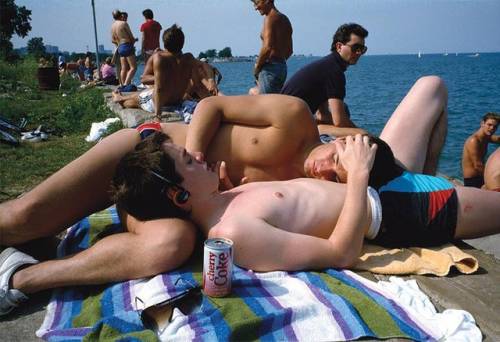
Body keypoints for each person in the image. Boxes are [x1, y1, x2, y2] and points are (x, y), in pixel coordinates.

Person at [0, 76, 447, 315]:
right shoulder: (292, 118)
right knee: (26, 217)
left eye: (341, 172)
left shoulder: (324, 183)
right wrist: (191, 164)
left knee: (172, 244)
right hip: (152, 154)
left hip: (180, 202)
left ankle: (22, 277)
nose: (329, 168)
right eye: (337, 153)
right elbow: (210, 107)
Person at [112, 25, 219, 120]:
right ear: (183, 43)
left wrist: (211, 82)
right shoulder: (183, 58)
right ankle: (120, 99)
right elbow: (156, 86)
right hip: (160, 102)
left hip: (171, 101)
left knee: (141, 97)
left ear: (165, 43)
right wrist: (158, 114)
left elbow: (204, 65)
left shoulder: (170, 58)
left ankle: (121, 97)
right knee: (134, 101)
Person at [281, 23, 368, 130]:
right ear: (339, 46)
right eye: (355, 48)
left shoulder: (327, 65)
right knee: (363, 135)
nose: (359, 53)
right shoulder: (334, 72)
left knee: (342, 109)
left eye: (362, 49)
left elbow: (323, 115)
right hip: (288, 126)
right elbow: (339, 121)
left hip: (282, 119)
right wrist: (365, 134)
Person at [248, 0, 293, 95]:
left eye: (257, 3)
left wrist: (257, 66)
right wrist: (278, 62)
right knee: (256, 94)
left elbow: (267, 47)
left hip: (270, 68)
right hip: (282, 67)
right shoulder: (285, 19)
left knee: (266, 105)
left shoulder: (270, 18)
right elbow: (290, 51)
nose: (255, 8)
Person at [461, 113, 499, 188]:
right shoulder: (474, 141)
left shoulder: (486, 137)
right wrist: (490, 180)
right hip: (473, 181)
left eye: (495, 127)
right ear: (482, 123)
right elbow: (478, 165)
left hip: (481, 177)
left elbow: (497, 139)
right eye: (489, 125)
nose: (492, 128)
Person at [111, 9, 137, 86]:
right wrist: (133, 41)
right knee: (133, 67)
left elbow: (113, 40)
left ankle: (122, 85)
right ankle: (126, 84)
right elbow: (131, 37)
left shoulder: (112, 26)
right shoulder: (123, 23)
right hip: (126, 45)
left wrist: (119, 43)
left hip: (120, 47)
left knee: (124, 68)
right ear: (120, 15)